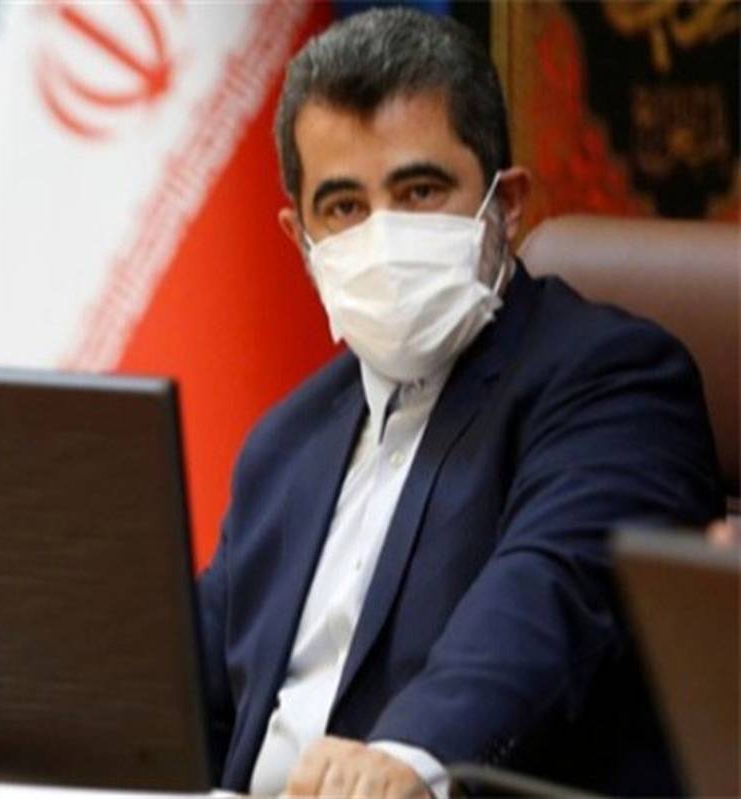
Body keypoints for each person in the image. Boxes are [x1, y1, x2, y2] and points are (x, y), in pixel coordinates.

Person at [195, 8, 724, 798]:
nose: (384, 237)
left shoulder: (613, 381)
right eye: (344, 207)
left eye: (420, 191)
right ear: (299, 239)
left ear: (506, 206)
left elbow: (547, 595)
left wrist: (412, 751)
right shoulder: (285, 441)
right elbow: (180, 687)